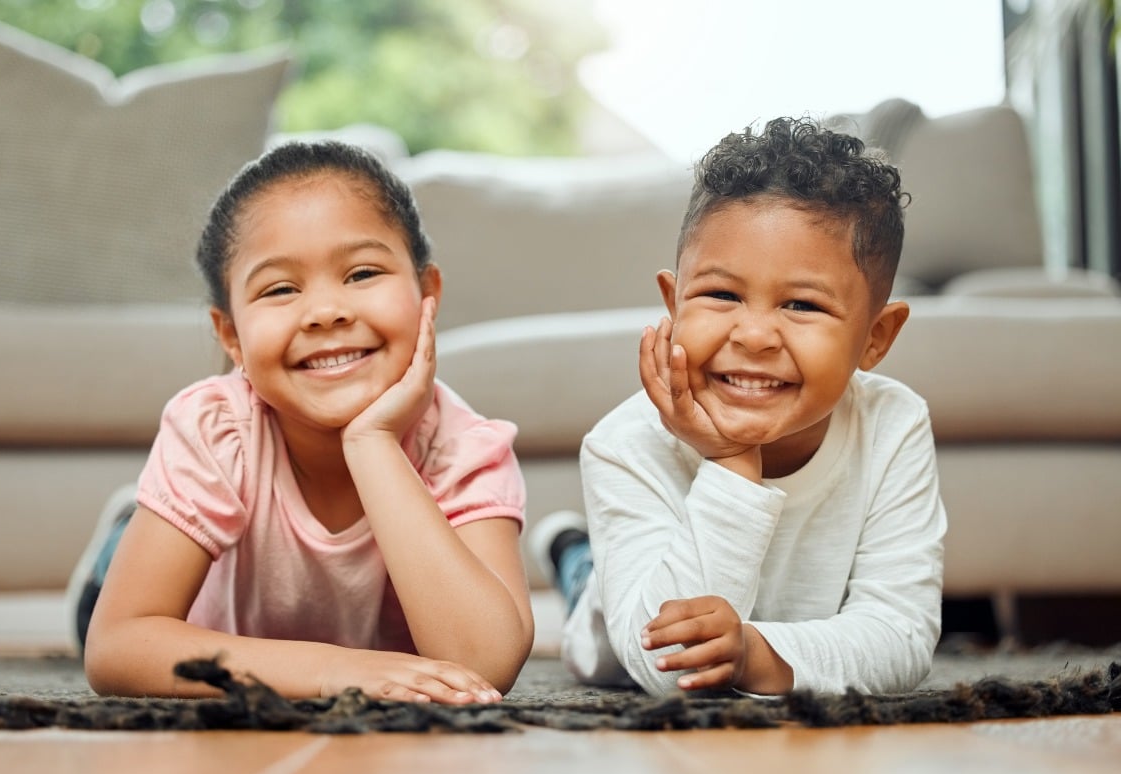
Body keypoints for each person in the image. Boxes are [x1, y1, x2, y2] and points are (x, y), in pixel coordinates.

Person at [67, 140, 533, 703]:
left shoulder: (463, 447)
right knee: (98, 611)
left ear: (427, 294)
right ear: (232, 336)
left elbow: (485, 662)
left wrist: (373, 442)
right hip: (208, 633)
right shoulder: (218, 427)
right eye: (281, 288)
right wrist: (329, 672)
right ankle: (126, 537)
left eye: (361, 274)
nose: (326, 312)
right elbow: (117, 646)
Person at [529, 116, 945, 697]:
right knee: (591, 604)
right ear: (674, 303)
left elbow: (901, 634)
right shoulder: (623, 444)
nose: (753, 335)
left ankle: (578, 549)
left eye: (801, 305)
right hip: (617, 618)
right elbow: (666, 666)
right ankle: (575, 557)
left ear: (875, 338)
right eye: (722, 295)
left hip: (767, 645)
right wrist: (729, 460)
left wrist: (758, 655)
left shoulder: (893, 425)